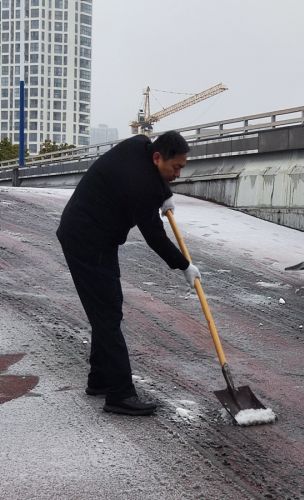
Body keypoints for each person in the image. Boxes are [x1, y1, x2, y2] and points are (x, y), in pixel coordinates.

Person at [57, 131, 201, 417]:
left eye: (182, 168)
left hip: (94, 234)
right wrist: (184, 265)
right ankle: (120, 394)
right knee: (107, 315)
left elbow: (149, 167)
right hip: (87, 240)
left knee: (107, 310)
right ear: (158, 158)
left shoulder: (140, 145)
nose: (178, 174)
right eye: (176, 168)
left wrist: (165, 195)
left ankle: (100, 379)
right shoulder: (141, 186)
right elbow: (155, 237)